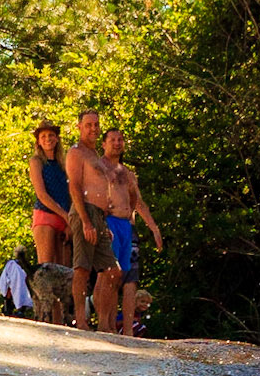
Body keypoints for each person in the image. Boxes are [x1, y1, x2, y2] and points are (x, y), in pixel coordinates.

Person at [102, 128, 163, 339]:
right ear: (104, 144)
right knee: (110, 277)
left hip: (128, 227)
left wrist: (154, 228)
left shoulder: (127, 173)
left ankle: (128, 331)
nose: (117, 143)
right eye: (112, 140)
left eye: (120, 140)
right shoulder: (98, 168)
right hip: (108, 224)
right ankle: (107, 325)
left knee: (130, 280)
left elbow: (138, 202)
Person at [65, 109, 121, 335]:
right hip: (84, 213)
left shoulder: (96, 155)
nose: (94, 129)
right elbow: (75, 186)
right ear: (79, 127)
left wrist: (103, 223)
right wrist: (86, 221)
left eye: (96, 125)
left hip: (99, 216)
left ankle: (105, 324)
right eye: (88, 125)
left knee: (112, 271)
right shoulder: (76, 153)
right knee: (82, 268)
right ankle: (81, 320)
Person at [29, 120, 72, 272]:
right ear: (38, 141)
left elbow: (71, 193)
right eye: (44, 136)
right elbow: (42, 194)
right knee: (47, 268)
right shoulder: (36, 161)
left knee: (65, 269)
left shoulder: (64, 163)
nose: (48, 139)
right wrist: (65, 215)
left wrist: (68, 221)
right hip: (46, 215)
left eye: (51, 135)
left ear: (57, 138)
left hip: (65, 218)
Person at [0, 246, 34, 315]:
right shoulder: (13, 264)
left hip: (17, 285)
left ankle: (11, 309)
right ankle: (12, 309)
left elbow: (4, 278)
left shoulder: (13, 265)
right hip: (17, 285)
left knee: (16, 293)